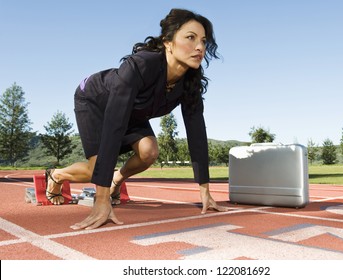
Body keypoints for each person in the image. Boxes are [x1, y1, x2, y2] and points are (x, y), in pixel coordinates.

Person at [45, 8, 228, 230]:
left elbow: (197, 134)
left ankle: (115, 181)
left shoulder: (190, 83)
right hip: (96, 99)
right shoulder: (140, 65)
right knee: (97, 168)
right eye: (190, 37)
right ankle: (56, 175)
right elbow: (114, 125)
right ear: (168, 42)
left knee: (149, 152)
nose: (199, 47)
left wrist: (205, 191)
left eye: (203, 41)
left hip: (133, 110)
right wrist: (100, 199)